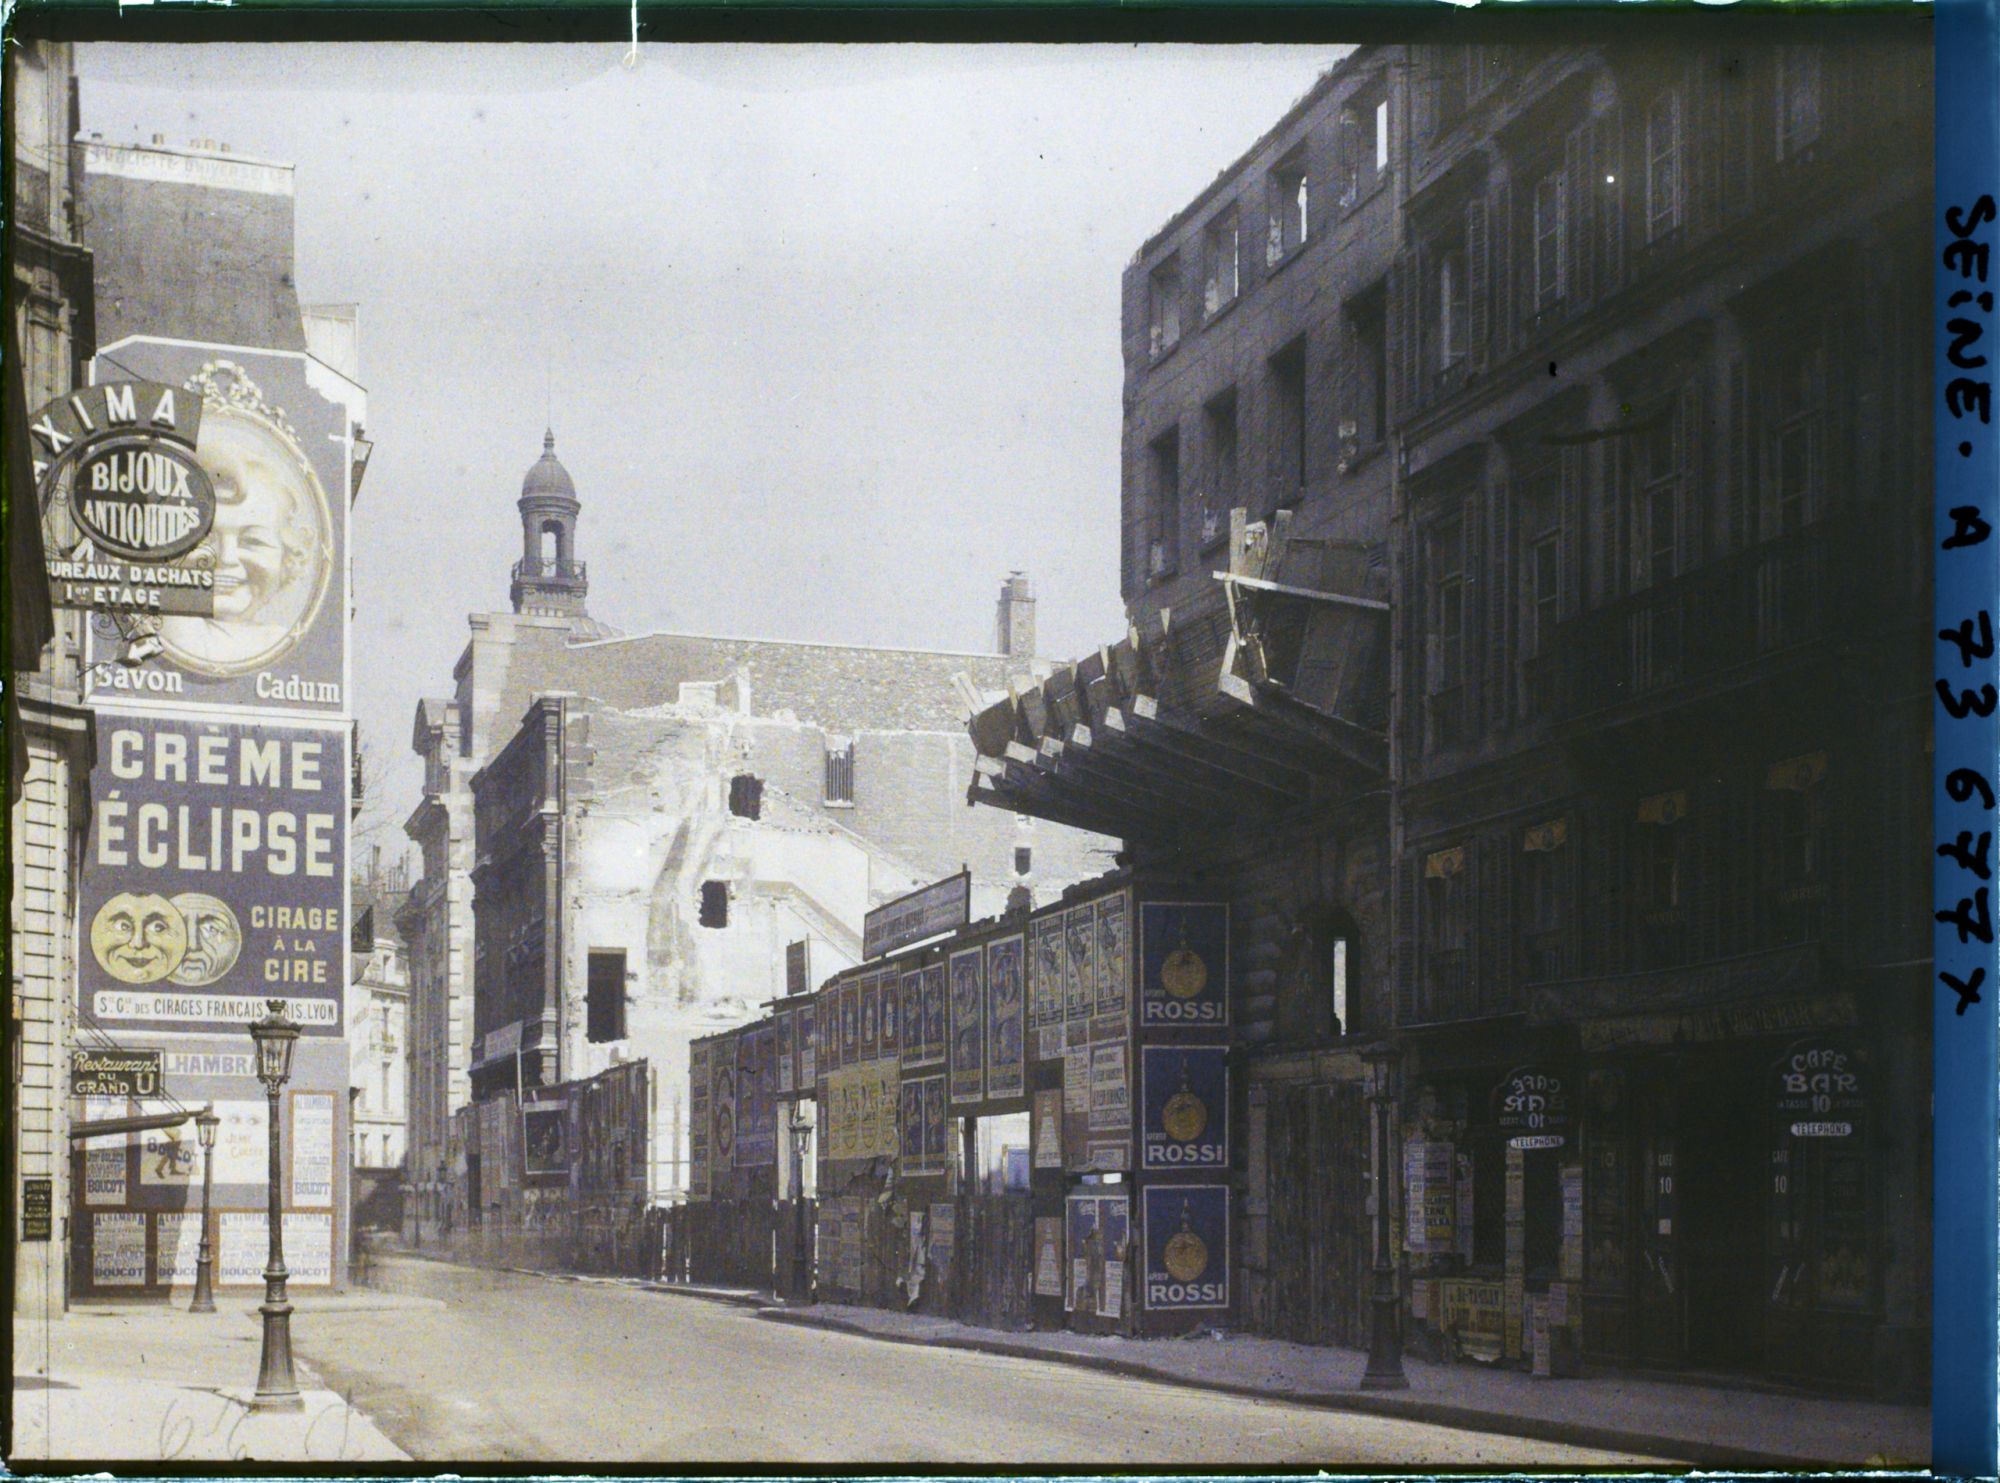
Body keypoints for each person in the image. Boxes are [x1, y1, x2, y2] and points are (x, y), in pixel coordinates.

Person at [157, 405, 331, 676]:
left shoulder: (276, 641)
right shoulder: (167, 631)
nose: (226, 559)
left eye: (253, 542)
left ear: (287, 558)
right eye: (203, 539)